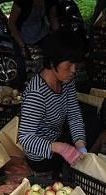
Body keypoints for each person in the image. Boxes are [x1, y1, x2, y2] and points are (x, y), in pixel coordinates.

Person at [18, 30, 87, 181]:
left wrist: (80, 145)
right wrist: (60, 148)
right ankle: (61, 171)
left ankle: (74, 166)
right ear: (51, 63)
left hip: (57, 137)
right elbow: (26, 138)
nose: (74, 69)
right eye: (69, 64)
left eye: (76, 63)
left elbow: (74, 115)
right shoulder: (37, 93)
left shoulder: (66, 81)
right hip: (41, 156)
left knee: (91, 118)